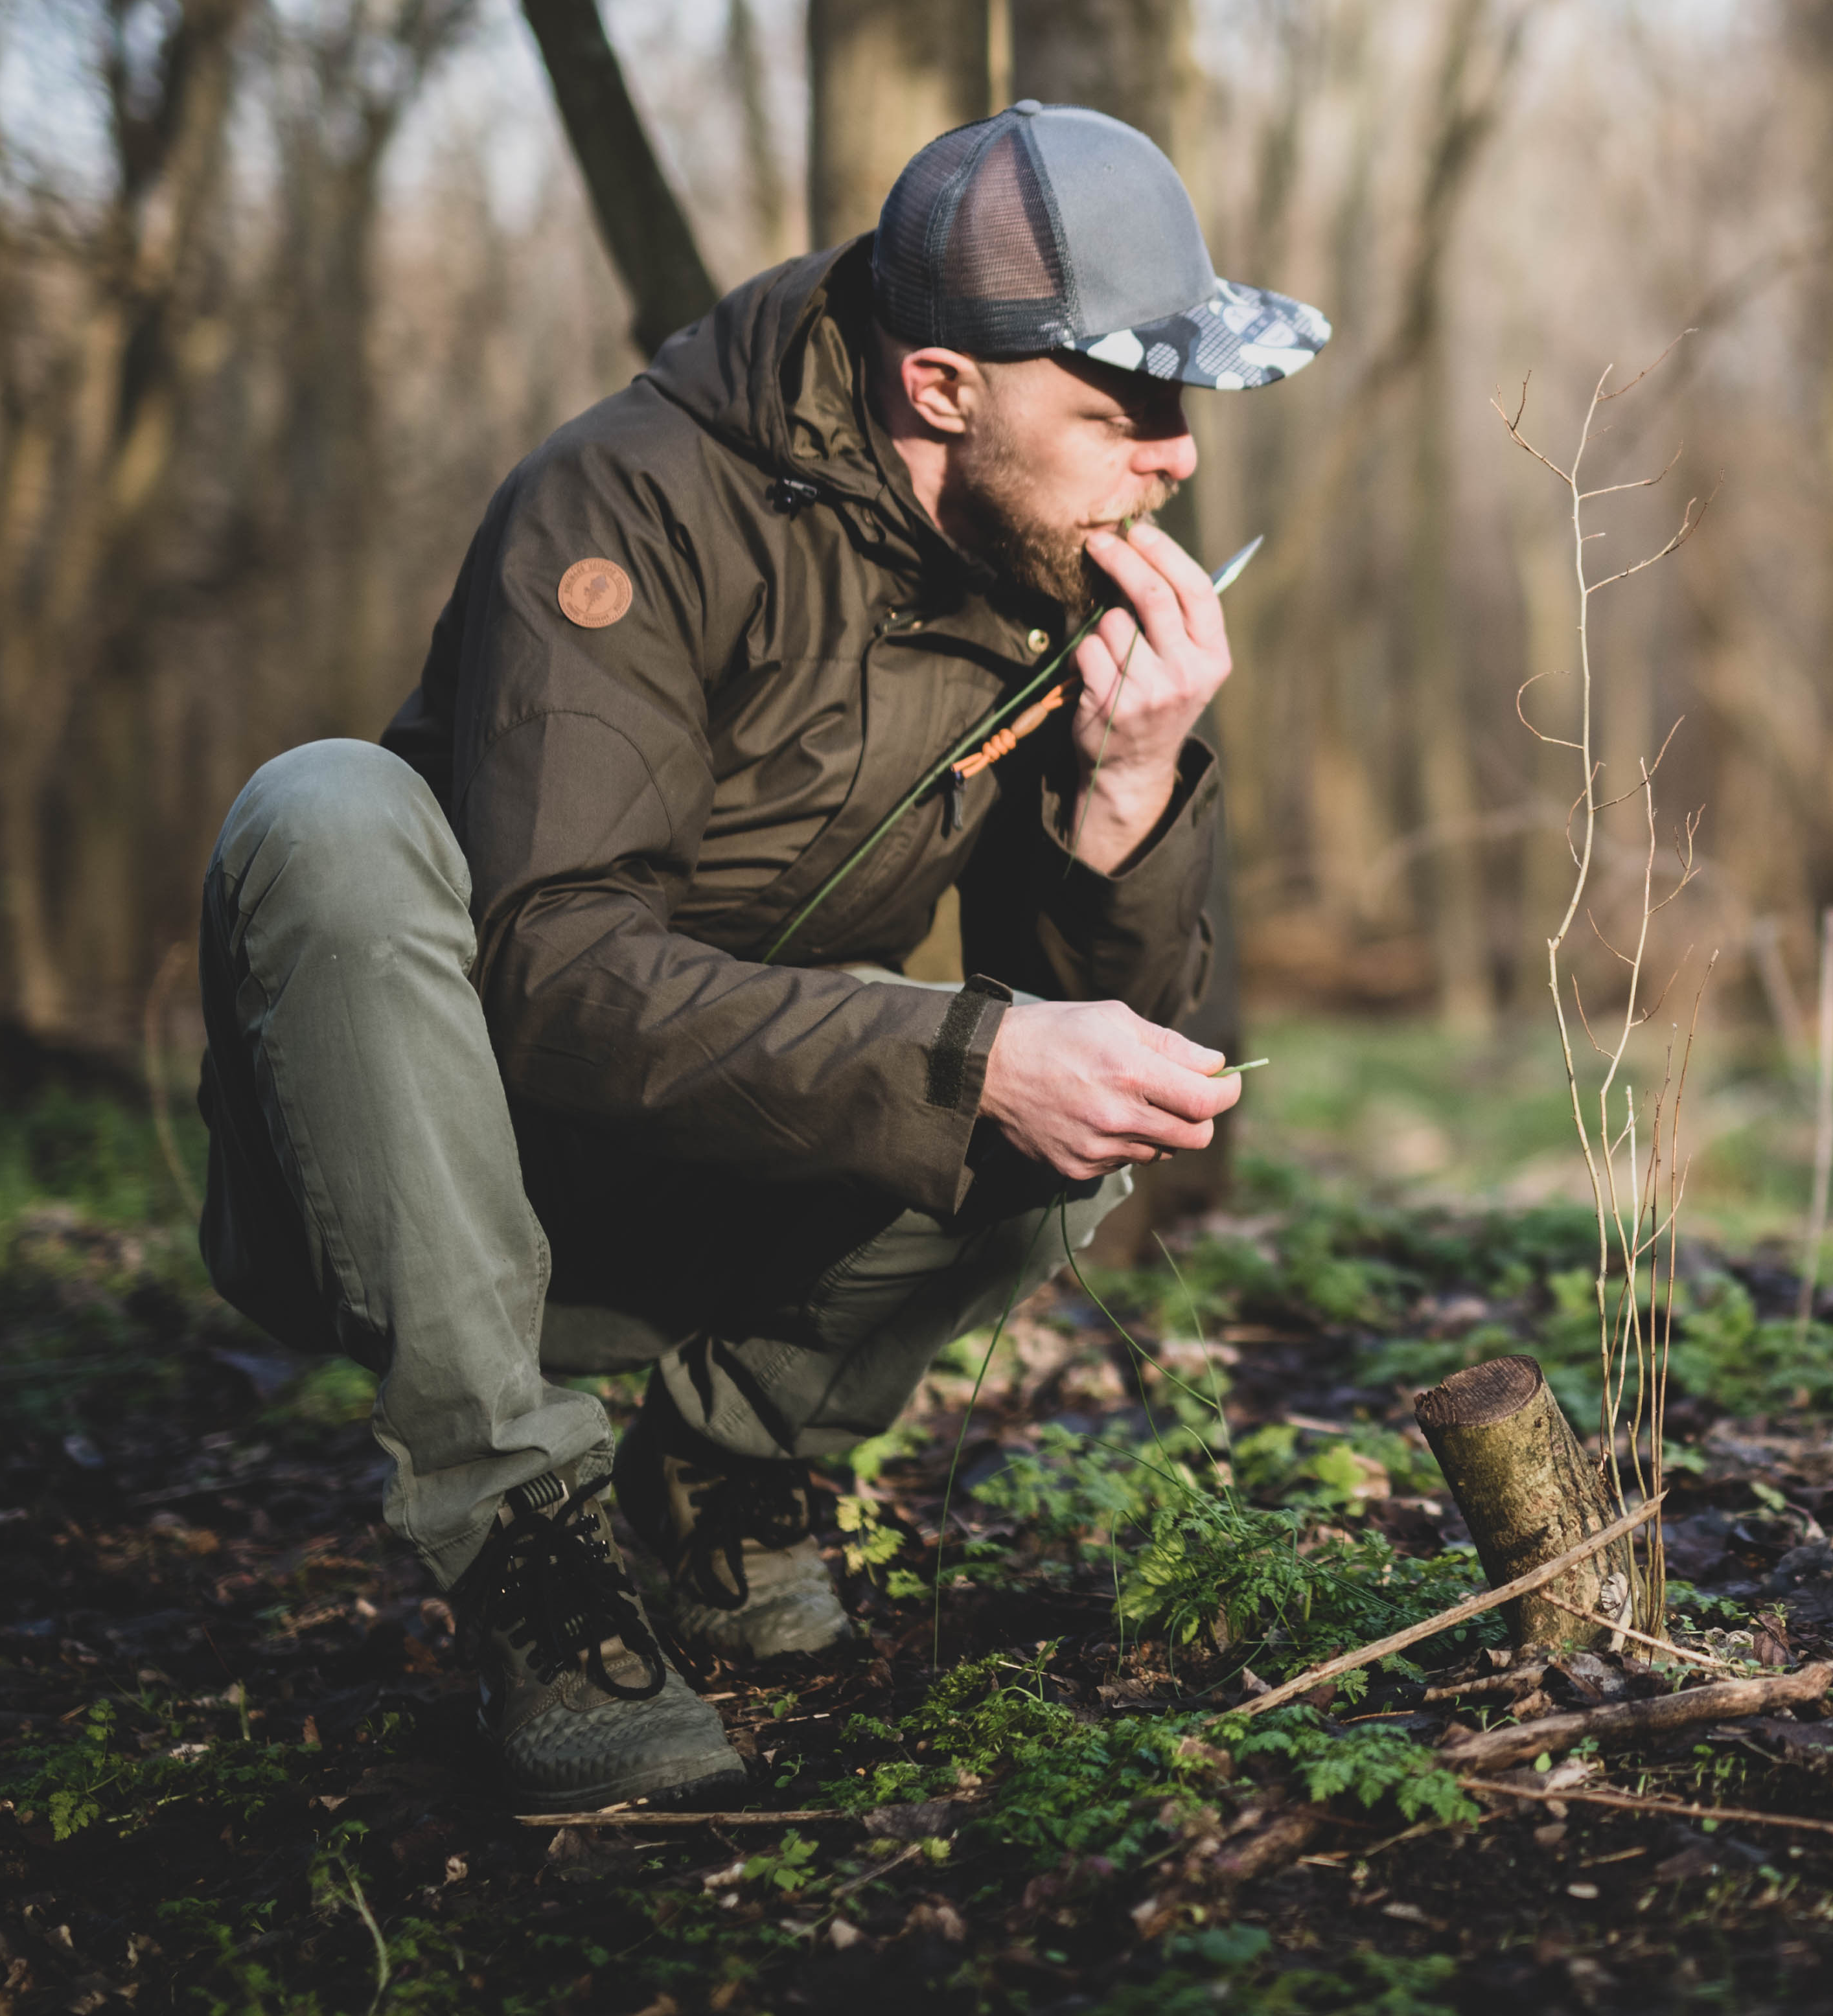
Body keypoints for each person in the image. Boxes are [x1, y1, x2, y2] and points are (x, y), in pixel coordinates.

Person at [192, 103, 1330, 1810]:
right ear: (940, 386)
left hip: (695, 1183)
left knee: (1075, 1091)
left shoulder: (1045, 560)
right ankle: (526, 1549)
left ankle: (719, 1479)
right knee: (326, 812)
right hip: (417, 1179)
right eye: (1120, 404)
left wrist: (1129, 791)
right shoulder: (627, 504)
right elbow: (549, 977)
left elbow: (1108, 1029)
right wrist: (965, 1057)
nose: (1173, 456)